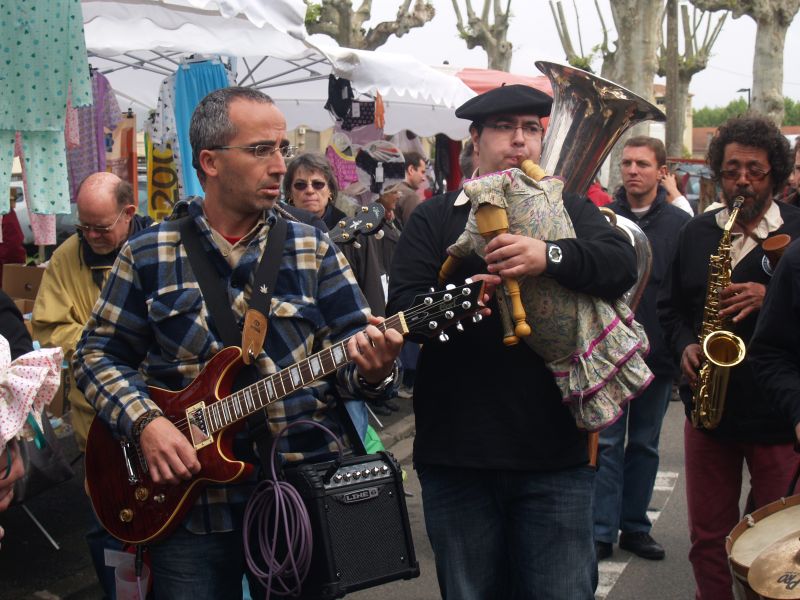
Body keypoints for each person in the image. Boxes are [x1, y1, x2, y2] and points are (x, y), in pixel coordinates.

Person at [74, 87, 403, 600]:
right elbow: (95, 355)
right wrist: (147, 423)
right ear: (209, 161)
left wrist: (375, 370)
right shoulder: (147, 253)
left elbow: (352, 358)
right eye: (260, 150)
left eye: (282, 149)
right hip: (187, 508)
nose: (279, 166)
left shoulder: (312, 245)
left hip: (298, 493)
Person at [386, 84, 637, 599]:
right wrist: (464, 297)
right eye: (504, 128)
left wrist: (550, 256)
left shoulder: (567, 206)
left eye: (531, 129)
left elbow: (620, 264)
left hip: (556, 457)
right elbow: (403, 310)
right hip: (457, 457)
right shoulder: (435, 217)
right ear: (474, 141)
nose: (519, 141)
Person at [658, 115, 800, 600]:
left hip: (779, 414)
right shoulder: (697, 234)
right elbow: (671, 309)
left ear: (776, 175)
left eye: (755, 170)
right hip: (710, 409)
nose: (742, 180)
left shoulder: (799, 232)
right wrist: (684, 346)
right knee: (708, 537)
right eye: (732, 169)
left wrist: (771, 295)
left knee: (781, 538)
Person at [31, 172, 150, 599]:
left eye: (101, 227)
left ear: (129, 213)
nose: (92, 235)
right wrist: (104, 347)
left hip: (161, 411)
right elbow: (48, 326)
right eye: (84, 226)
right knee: (111, 519)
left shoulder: (157, 247)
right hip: (95, 419)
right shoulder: (68, 256)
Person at [593, 136, 690, 562]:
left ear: (660, 171)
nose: (633, 171)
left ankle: (634, 527)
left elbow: (684, 291)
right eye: (627, 163)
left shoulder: (680, 225)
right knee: (608, 444)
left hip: (658, 353)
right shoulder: (600, 218)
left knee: (645, 445)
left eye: (643, 164)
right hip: (609, 352)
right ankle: (600, 530)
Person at [394, 151, 427, 226]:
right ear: (411, 169)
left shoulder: (390, 190)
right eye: (422, 172)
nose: (424, 178)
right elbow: (415, 231)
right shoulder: (411, 196)